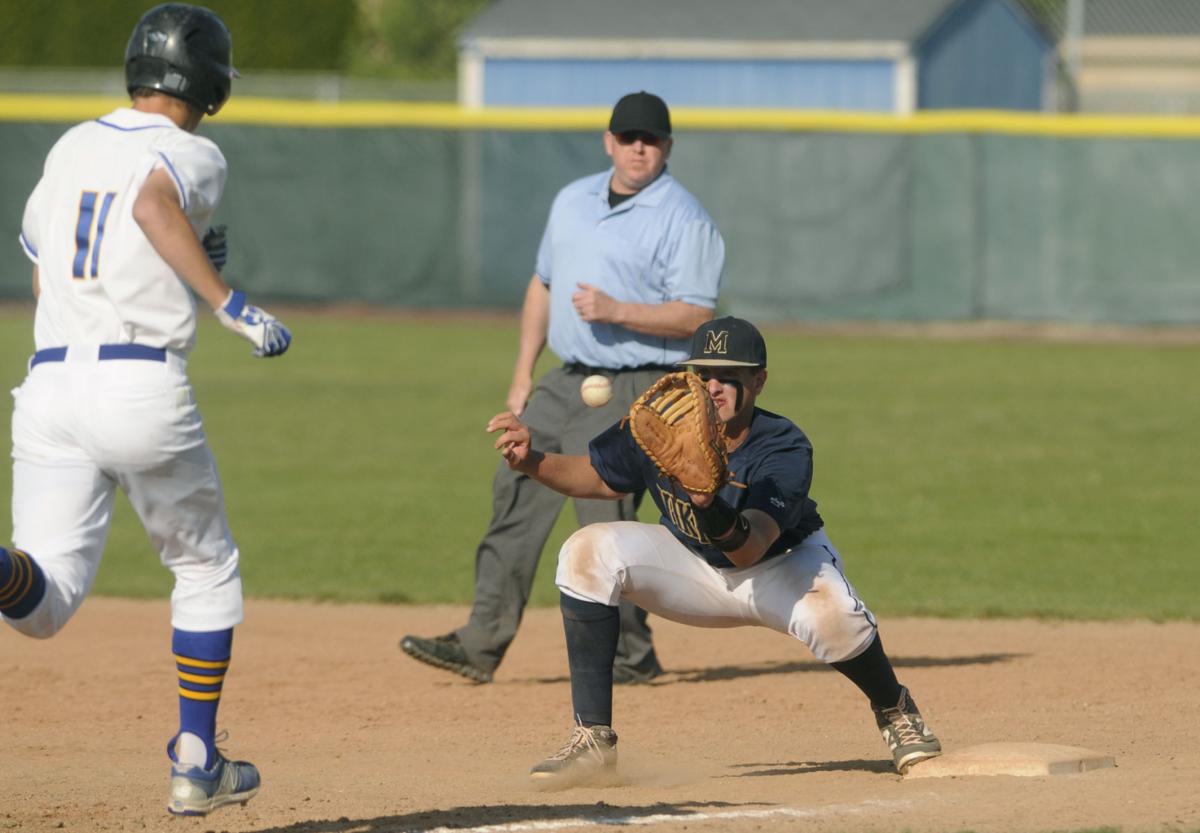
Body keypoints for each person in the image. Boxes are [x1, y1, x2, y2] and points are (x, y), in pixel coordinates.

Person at [2, 3, 290, 817]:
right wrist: (231, 304)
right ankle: (196, 757)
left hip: (50, 383)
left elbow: (47, 267)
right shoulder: (190, 147)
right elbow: (152, 207)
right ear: (207, 78)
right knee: (205, 568)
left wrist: (174, 271)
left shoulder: (68, 145)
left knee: (43, 601)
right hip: (138, 384)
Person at [485, 316, 943, 787]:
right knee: (586, 551)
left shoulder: (783, 445)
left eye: (729, 376)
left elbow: (751, 548)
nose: (714, 387)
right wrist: (532, 461)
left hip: (780, 568)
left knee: (834, 618)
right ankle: (592, 740)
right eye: (703, 375)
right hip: (692, 567)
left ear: (758, 382)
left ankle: (893, 708)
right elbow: (598, 477)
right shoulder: (663, 425)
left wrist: (708, 503)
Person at [399, 91, 725, 685]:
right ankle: (480, 644)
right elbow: (542, 286)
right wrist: (523, 371)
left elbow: (697, 317)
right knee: (516, 486)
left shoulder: (685, 217)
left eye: (650, 140)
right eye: (627, 138)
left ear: (668, 147)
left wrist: (617, 309)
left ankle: (629, 654)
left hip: (641, 382)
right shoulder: (572, 200)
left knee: (603, 513)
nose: (638, 149)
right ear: (609, 142)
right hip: (565, 377)